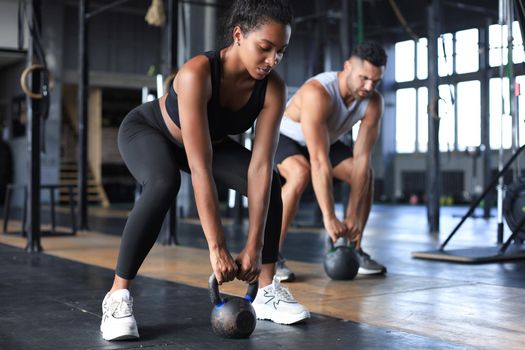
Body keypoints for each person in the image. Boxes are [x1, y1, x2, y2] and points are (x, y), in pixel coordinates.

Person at [100, 0, 310, 341]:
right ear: (238, 35)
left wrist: (254, 246)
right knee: (163, 182)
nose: (273, 60)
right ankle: (117, 295)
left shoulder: (272, 87)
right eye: (265, 48)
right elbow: (200, 168)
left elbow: (259, 166)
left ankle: (268, 290)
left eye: (281, 51)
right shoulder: (197, 73)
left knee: (271, 181)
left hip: (208, 143)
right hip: (150, 132)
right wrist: (217, 247)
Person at [274, 41, 388, 282]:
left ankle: (354, 248)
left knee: (365, 174)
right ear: (347, 67)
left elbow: (362, 159)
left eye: (375, 81)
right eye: (364, 78)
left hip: (326, 139)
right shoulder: (319, 91)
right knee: (300, 173)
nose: (369, 87)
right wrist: (329, 216)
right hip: (287, 137)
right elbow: (318, 160)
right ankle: (272, 256)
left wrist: (353, 215)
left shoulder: (373, 103)